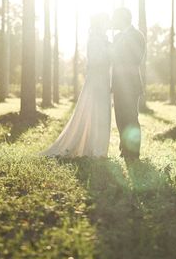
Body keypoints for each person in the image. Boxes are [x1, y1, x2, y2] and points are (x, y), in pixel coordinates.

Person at [41, 14, 112, 157]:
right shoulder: (94, 39)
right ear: (100, 23)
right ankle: (95, 149)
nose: (109, 23)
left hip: (104, 79)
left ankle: (100, 149)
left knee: (103, 113)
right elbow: (95, 60)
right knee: (96, 112)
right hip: (96, 80)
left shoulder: (105, 39)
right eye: (106, 21)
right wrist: (110, 52)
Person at [111, 8, 146, 160]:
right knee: (120, 118)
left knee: (131, 117)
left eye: (115, 18)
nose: (113, 22)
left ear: (123, 19)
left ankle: (134, 153)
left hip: (131, 84)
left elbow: (136, 59)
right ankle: (124, 148)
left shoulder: (138, 36)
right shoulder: (117, 36)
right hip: (118, 84)